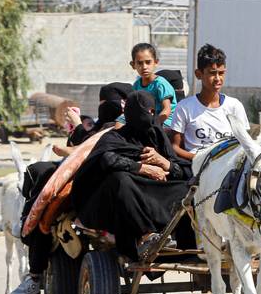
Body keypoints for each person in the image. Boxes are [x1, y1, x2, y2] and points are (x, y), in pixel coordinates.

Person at [8, 83, 131, 294]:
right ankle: (28, 226)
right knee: (39, 174)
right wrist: (77, 131)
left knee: (48, 202)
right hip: (95, 180)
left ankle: (34, 274)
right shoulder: (108, 124)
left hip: (96, 187)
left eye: (107, 104)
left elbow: (93, 150)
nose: (104, 108)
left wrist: (77, 130)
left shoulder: (122, 126)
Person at [72, 90, 194, 261]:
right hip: (110, 206)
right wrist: (142, 168)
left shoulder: (158, 136)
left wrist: (164, 163)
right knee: (121, 179)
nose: (149, 116)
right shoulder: (114, 137)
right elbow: (106, 159)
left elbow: (182, 170)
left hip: (155, 197)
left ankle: (188, 246)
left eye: (151, 111)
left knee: (187, 188)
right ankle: (145, 235)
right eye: (145, 112)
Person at [166, 44, 250, 162]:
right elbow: (175, 147)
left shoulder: (234, 106)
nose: (217, 78)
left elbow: (245, 143)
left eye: (221, 73)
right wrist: (202, 160)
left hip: (228, 170)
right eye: (212, 73)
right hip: (196, 170)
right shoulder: (184, 107)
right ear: (198, 74)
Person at [130, 43, 178, 126]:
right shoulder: (136, 85)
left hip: (165, 124)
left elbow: (166, 111)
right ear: (133, 65)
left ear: (156, 62)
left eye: (148, 62)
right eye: (140, 63)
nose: (144, 67)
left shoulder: (161, 84)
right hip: (147, 122)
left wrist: (153, 126)